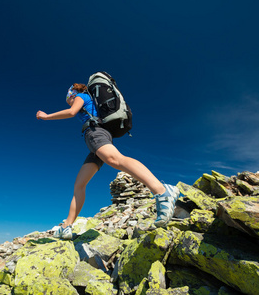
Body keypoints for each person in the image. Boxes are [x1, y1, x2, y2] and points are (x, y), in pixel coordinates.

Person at [36, 83, 180, 240]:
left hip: (94, 133)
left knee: (114, 159)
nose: (68, 100)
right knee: (80, 184)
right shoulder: (90, 101)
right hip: (95, 138)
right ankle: (66, 227)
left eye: (67, 97)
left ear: (72, 93)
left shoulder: (81, 96)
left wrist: (46, 116)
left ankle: (162, 191)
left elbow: (71, 112)